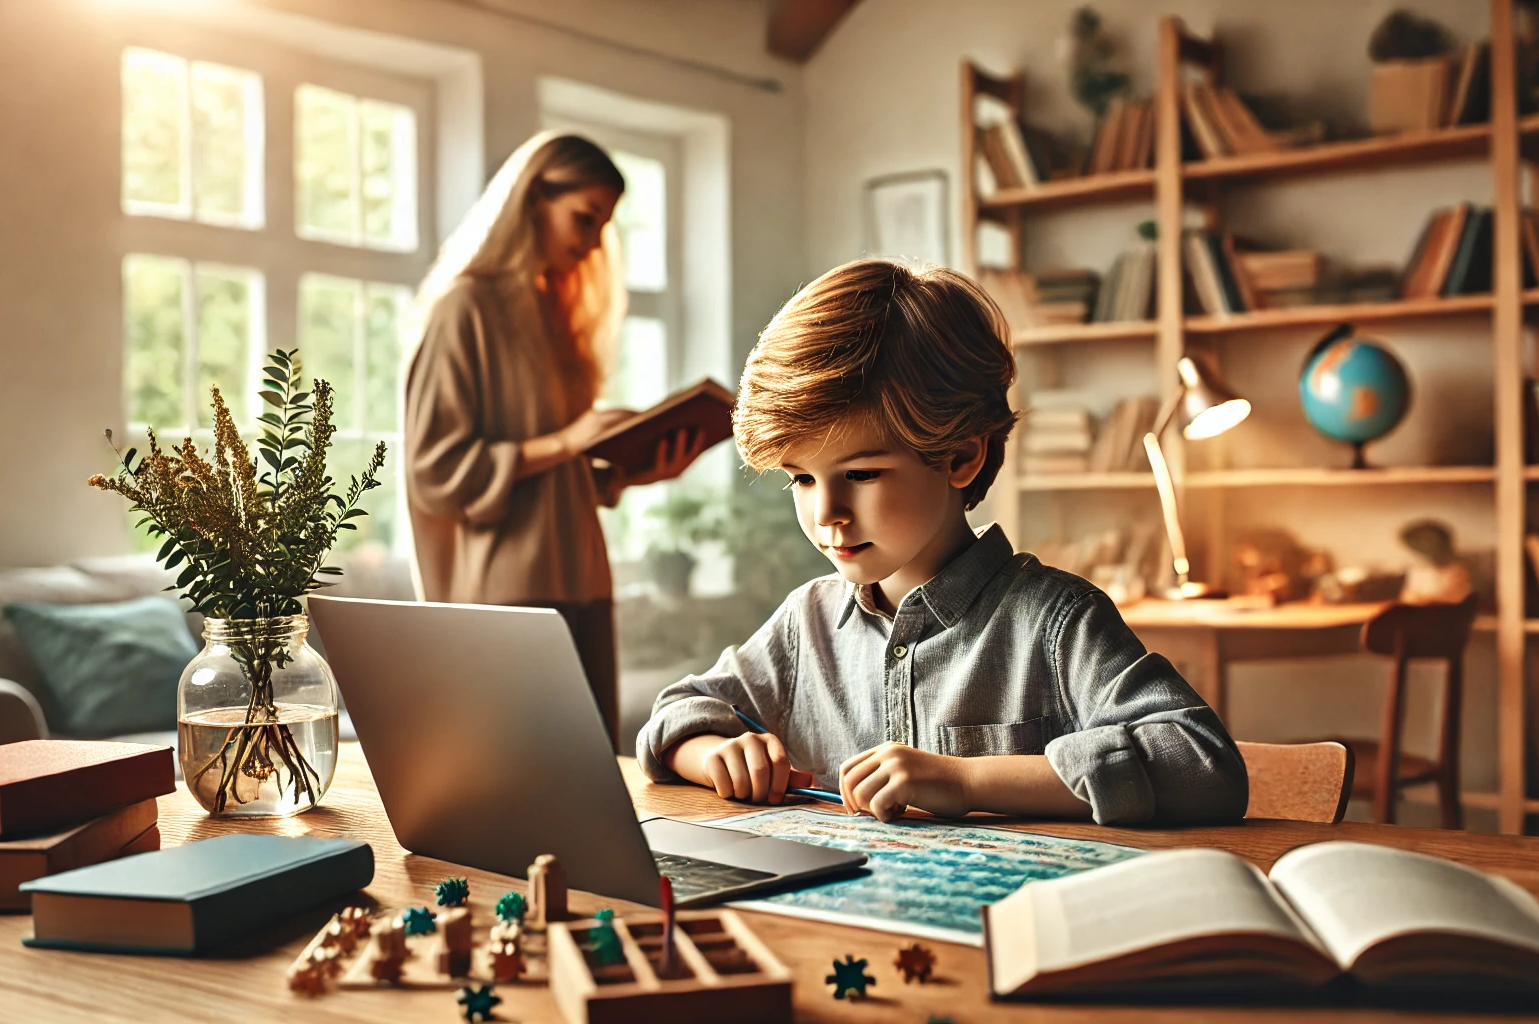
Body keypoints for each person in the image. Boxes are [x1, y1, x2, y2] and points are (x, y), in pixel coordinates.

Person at [633, 259, 1248, 824]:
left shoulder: (1056, 622)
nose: (828, 513)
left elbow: (1203, 763)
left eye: (862, 474)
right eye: (801, 478)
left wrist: (968, 781)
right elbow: (674, 717)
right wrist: (717, 753)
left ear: (959, 456)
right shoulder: (807, 622)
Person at [406, 132, 703, 748]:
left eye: (604, 224)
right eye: (585, 218)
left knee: (584, 769)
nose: (594, 241)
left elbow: (548, 478)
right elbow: (433, 468)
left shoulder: (554, 315)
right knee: (518, 772)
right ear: (536, 196)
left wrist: (626, 472)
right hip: (507, 592)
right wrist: (569, 441)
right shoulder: (464, 308)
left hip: (584, 579)